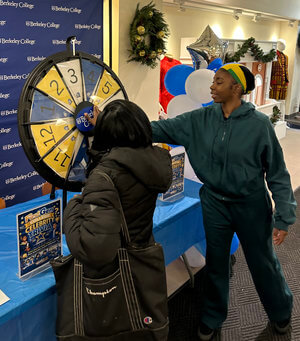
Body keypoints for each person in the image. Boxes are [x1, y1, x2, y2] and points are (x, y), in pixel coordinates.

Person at [150, 63, 297, 340]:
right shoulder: (199, 119)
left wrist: (285, 215)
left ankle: (281, 312)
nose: (211, 86)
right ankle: (212, 316)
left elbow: (277, 173)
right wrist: (114, 122)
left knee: (263, 263)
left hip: (251, 206)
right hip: (214, 203)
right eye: (213, 81)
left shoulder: (259, 126)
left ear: (236, 88)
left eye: (218, 82)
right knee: (215, 263)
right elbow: (158, 128)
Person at [63, 98, 172, 280]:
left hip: (114, 277)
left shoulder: (103, 179)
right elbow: (119, 164)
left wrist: (74, 206)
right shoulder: (154, 162)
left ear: (107, 135)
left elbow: (93, 250)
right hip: (143, 263)